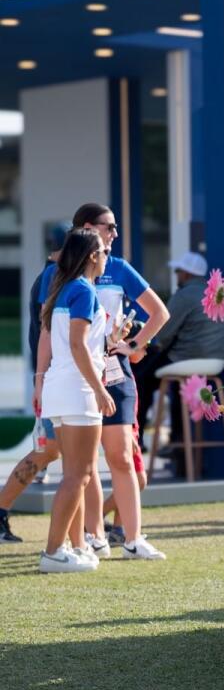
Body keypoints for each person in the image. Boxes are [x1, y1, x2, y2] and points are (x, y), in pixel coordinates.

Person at [34, 203, 169, 561]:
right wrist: (38, 378)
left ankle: (128, 538)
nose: (115, 236)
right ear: (89, 230)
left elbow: (159, 312)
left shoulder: (117, 270)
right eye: (109, 228)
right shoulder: (63, 279)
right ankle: (84, 540)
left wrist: (132, 345)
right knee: (82, 468)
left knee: (118, 458)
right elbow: (54, 335)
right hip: (79, 381)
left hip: (108, 372)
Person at [36, 229, 112, 572]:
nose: (107, 255)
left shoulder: (64, 288)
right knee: (79, 475)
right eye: (104, 251)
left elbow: (73, 344)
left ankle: (75, 545)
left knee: (74, 474)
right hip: (78, 390)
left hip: (60, 388)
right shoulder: (82, 289)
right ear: (93, 256)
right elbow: (79, 345)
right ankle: (53, 551)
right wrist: (99, 388)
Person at [0, 223, 70, 543]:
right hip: (58, 381)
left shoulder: (50, 276)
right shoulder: (55, 278)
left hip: (54, 379)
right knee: (49, 453)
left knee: (52, 452)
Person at [134, 252, 224, 454]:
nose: (176, 275)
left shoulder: (184, 295)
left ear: (186, 274)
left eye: (178, 271)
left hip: (186, 358)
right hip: (218, 360)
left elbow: (164, 334)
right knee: (174, 383)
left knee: (143, 378)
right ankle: (178, 442)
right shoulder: (217, 292)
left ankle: (138, 438)